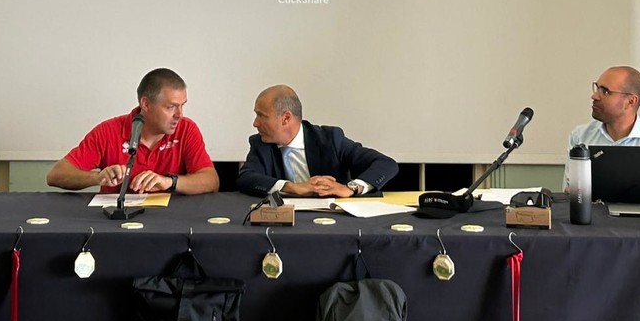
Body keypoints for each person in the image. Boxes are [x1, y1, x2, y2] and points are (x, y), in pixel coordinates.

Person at [47, 68, 218, 194]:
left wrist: (169, 182)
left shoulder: (186, 129)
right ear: (146, 104)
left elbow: (211, 181)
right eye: (170, 107)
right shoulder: (108, 131)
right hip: (116, 223)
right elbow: (56, 175)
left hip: (170, 220)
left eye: (182, 106)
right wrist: (97, 178)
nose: (179, 115)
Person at [237, 85, 398, 198]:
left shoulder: (330, 139)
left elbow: (386, 164)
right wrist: (292, 187)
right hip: (283, 224)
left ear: (286, 118)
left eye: (261, 116)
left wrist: (351, 188)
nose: (255, 123)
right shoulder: (261, 144)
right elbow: (246, 178)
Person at [564, 65, 640, 187]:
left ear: (630, 101)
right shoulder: (580, 137)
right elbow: (570, 190)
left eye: (605, 91)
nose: (594, 96)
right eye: (597, 88)